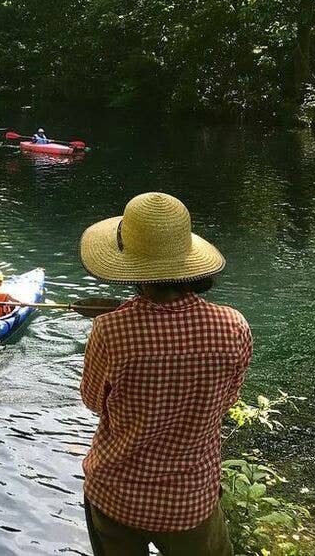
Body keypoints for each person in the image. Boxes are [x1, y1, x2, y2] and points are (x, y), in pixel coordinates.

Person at [77, 192, 252, 556]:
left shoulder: (110, 330)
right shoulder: (233, 326)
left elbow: (95, 402)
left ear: (129, 264)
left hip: (117, 495)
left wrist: (120, 317)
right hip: (190, 500)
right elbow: (228, 398)